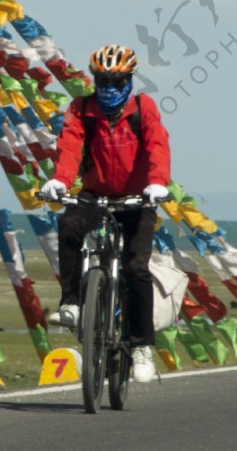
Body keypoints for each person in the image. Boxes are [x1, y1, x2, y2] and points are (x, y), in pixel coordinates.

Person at [38, 44, 171, 384]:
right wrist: (60, 180)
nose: (108, 90)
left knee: (135, 270)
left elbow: (157, 144)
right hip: (95, 194)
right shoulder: (82, 109)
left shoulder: (144, 108)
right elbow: (70, 145)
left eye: (116, 82)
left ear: (128, 80)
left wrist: (157, 183)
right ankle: (72, 303)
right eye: (102, 82)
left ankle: (141, 348)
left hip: (137, 199)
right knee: (68, 225)